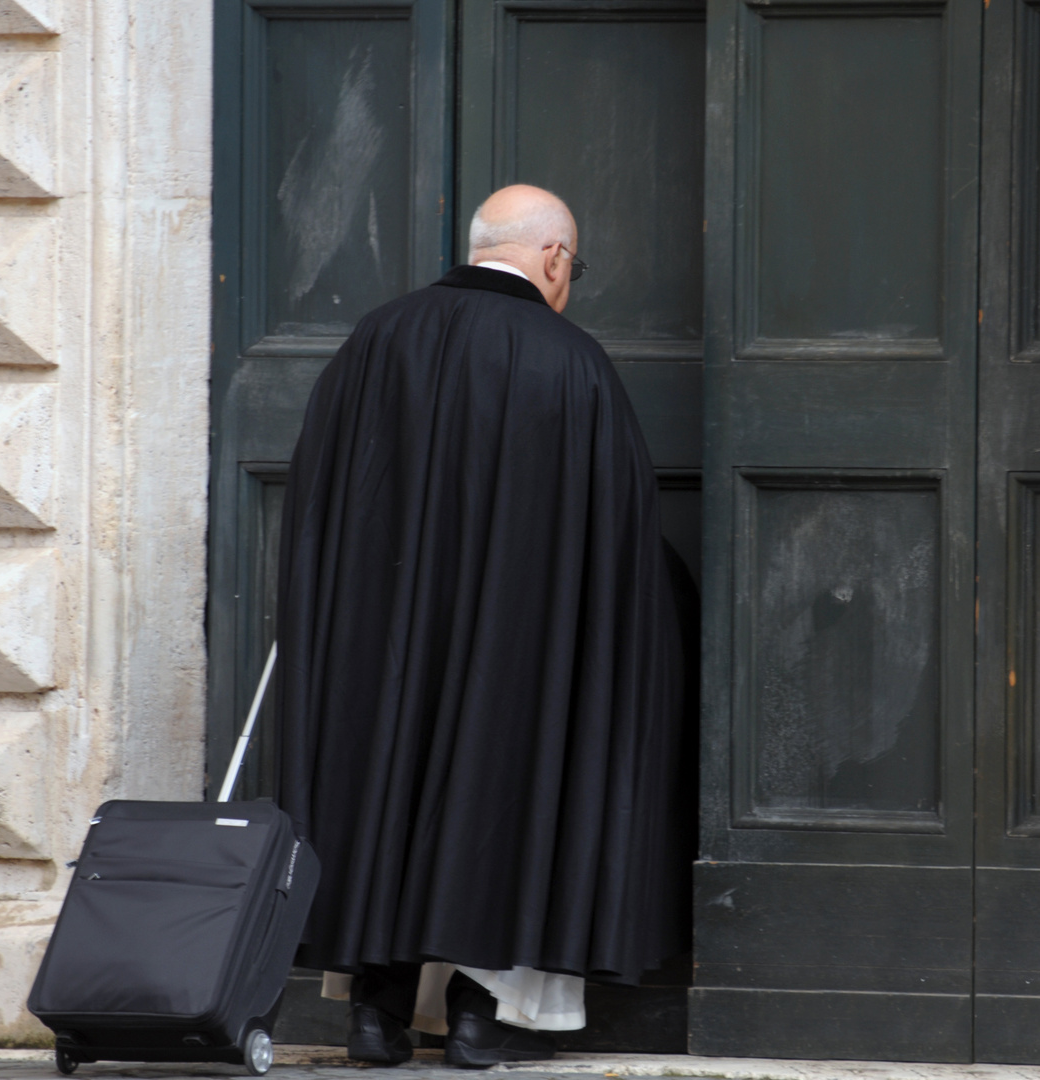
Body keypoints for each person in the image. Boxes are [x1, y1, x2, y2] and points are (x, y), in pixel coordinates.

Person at [273, 184, 692, 1069]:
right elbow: (614, 537)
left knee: (385, 773)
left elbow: (316, 504)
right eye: (572, 265)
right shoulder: (571, 364)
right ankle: (473, 1018)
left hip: (378, 637)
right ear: (551, 260)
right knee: (498, 787)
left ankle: (374, 1017)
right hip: (518, 641)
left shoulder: (372, 343)